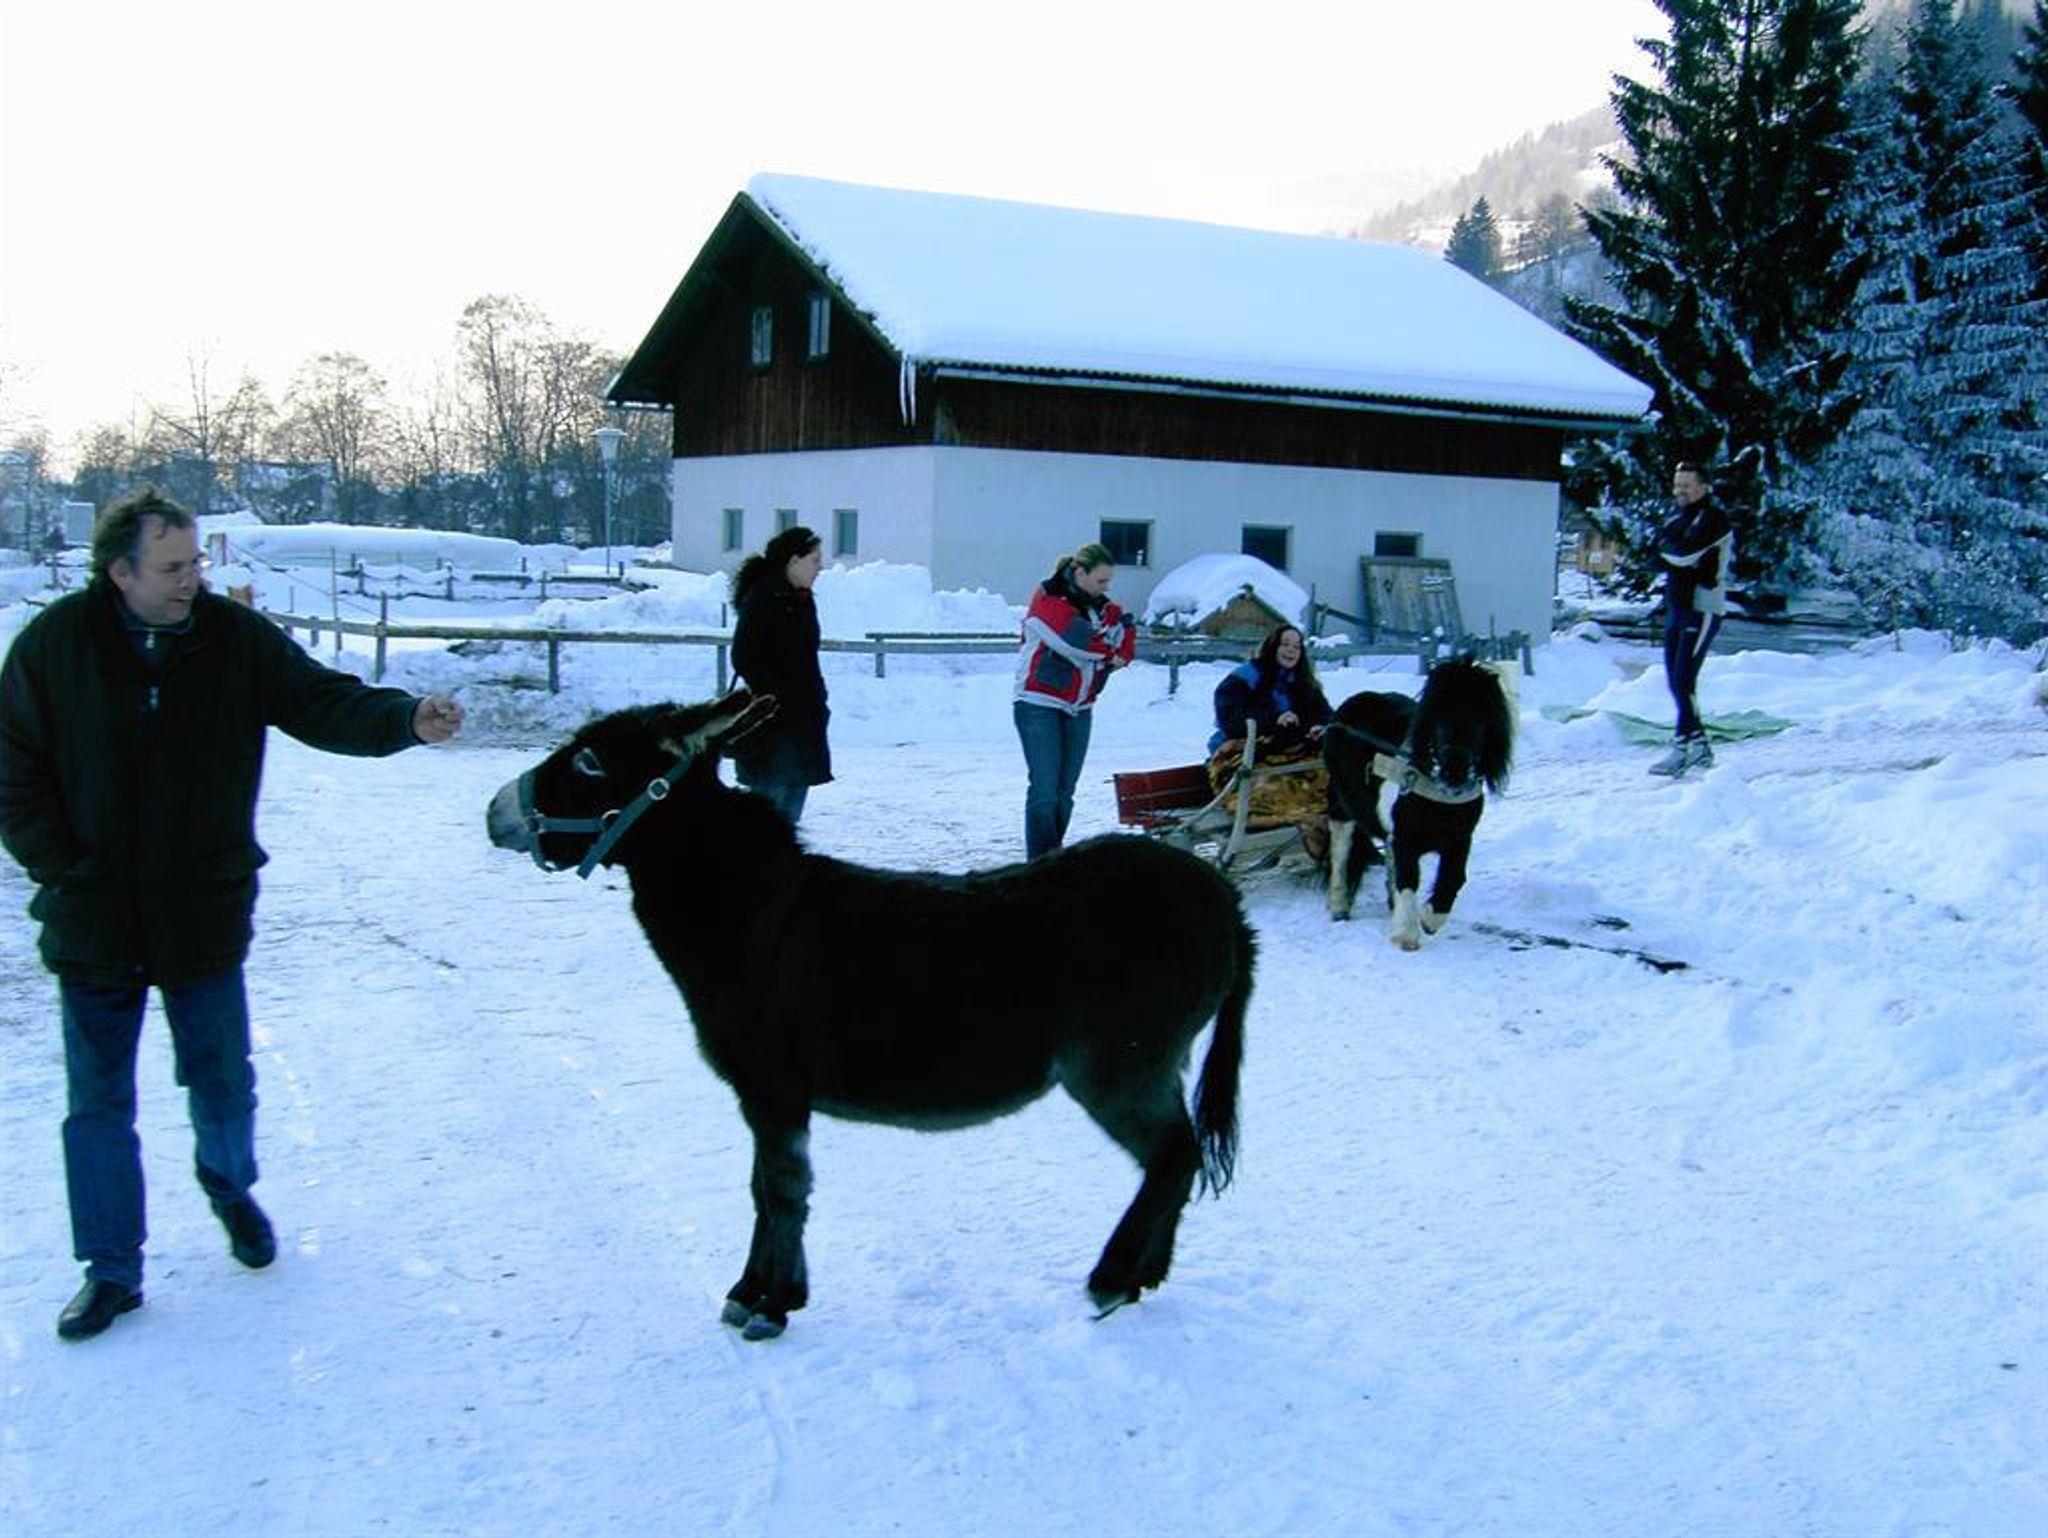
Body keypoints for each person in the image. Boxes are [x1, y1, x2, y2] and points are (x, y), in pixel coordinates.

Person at [0, 487, 466, 1341]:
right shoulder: (55, 645)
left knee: (222, 1085)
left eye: (196, 564)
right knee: (97, 1104)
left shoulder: (233, 639)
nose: (192, 580)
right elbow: (12, 770)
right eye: (173, 567)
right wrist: (63, 870)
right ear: (121, 572)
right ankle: (111, 1270)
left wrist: (404, 719)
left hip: (200, 911)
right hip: (92, 916)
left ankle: (229, 1187)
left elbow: (321, 700)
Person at [1013, 542, 1135, 859]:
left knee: (1065, 792)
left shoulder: (1102, 609)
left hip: (1081, 707)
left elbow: (1125, 643)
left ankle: (1053, 858)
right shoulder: (1048, 598)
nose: (1106, 587)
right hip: (1038, 704)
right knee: (1045, 791)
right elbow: (1075, 641)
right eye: (1101, 581)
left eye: (1109, 581)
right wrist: (1109, 651)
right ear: (1080, 573)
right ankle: (1041, 864)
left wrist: (1116, 646)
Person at [729, 525, 830, 824]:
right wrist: (777, 699)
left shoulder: (802, 599)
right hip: (772, 730)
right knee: (767, 820)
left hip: (802, 726)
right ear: (793, 561)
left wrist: (816, 699)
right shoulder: (765, 597)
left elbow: (806, 659)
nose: (820, 568)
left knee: (789, 817)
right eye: (814, 560)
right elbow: (744, 657)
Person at [1206, 624, 1332, 858]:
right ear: (1273, 647)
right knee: (1265, 787)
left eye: (1297, 646)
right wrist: (1273, 719)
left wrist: (1318, 727)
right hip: (1247, 750)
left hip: (1293, 750)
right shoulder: (1245, 677)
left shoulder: (1304, 682)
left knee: (1329, 776)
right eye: (1285, 644)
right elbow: (1229, 717)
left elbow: (1324, 714)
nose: (1291, 651)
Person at [1648, 461, 1734, 777]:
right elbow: (1654, 553)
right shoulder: (1678, 519)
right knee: (1676, 680)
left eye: (1686, 485)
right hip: (1678, 606)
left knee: (1684, 679)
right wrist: (1672, 552)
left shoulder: (1714, 519)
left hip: (1702, 607)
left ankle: (1684, 747)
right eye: (1677, 484)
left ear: (1703, 487)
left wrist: (1672, 552)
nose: (1679, 490)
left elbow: (1683, 554)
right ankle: (1697, 745)